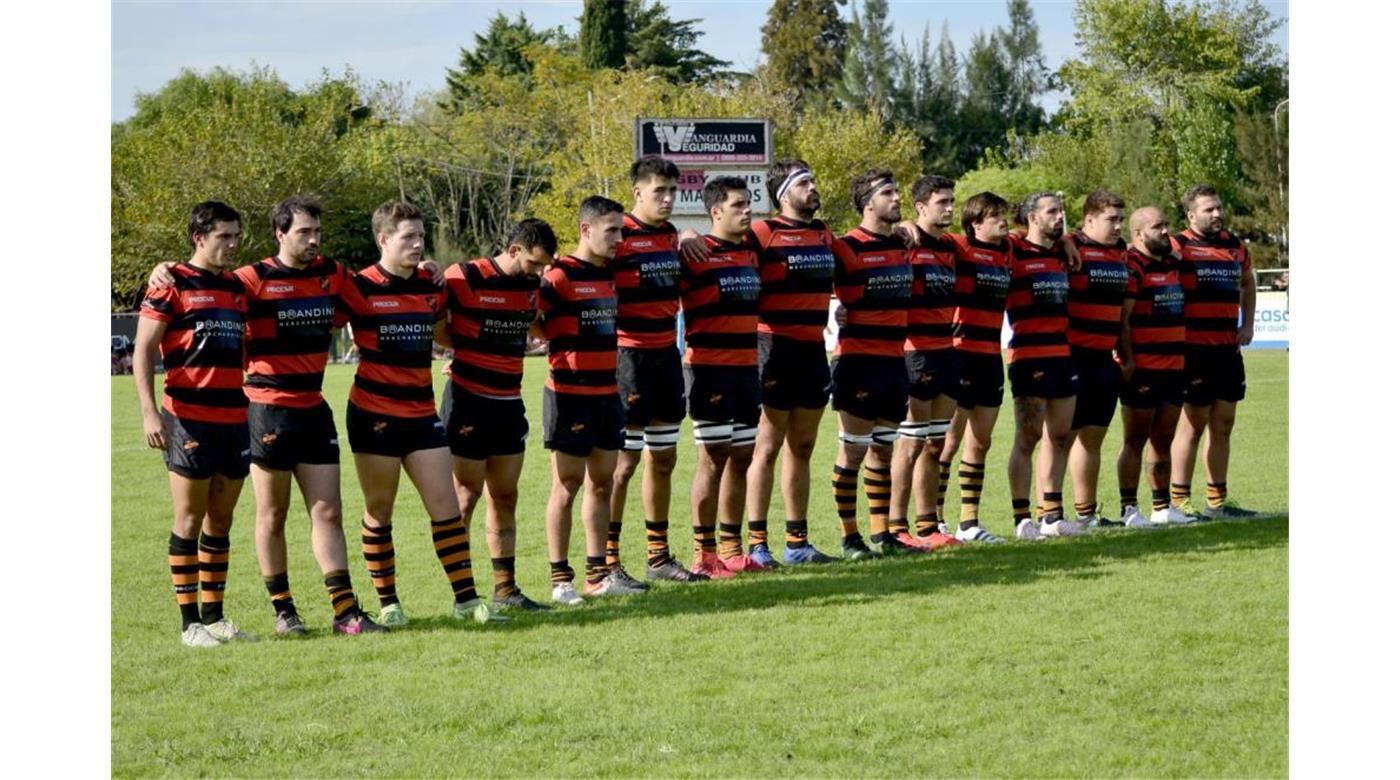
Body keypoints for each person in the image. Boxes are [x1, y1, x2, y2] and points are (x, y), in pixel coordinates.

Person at [340, 201, 507, 628]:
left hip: (422, 414)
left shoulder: (432, 287)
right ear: (383, 240)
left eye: (420, 237)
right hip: (373, 414)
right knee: (379, 509)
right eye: (407, 237)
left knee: (446, 507)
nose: (417, 244)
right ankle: (389, 602)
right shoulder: (358, 287)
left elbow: (444, 326)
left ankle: (467, 601)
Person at [135, 201, 256, 646]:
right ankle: (190, 626)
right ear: (198, 238)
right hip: (188, 420)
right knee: (189, 518)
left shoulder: (239, 288)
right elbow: (143, 351)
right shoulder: (171, 285)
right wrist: (151, 412)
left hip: (235, 419)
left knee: (220, 522)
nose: (232, 244)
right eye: (223, 236)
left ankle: (216, 617)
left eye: (236, 236)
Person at [437, 219, 557, 612]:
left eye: (543, 267)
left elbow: (539, 327)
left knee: (505, 495)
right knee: (465, 496)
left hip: (508, 402)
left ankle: (505, 589)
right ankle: (463, 595)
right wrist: (467, 349)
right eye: (534, 265)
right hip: (468, 400)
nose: (538, 274)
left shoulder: (532, 287)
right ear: (513, 251)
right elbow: (438, 326)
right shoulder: (464, 277)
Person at [539, 196, 640, 604]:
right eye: (612, 230)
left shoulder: (612, 273)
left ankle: (598, 574)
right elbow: (528, 316)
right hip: (568, 396)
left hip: (607, 393)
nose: (620, 238)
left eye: (621, 230)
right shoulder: (559, 276)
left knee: (603, 483)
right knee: (567, 485)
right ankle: (561, 580)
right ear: (586, 229)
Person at [609, 156, 702, 584]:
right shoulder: (618, 236)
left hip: (667, 357)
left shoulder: (670, 237)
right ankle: (607, 559)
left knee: (663, 459)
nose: (667, 199)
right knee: (623, 465)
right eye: (658, 191)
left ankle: (659, 557)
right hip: (627, 361)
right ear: (637, 193)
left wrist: (685, 234)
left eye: (672, 191)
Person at [745, 160, 840, 566]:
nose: (814, 187)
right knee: (766, 448)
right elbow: (725, 249)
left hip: (812, 351)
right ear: (784, 194)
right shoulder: (762, 233)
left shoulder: (824, 234)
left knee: (802, 446)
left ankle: (797, 542)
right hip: (774, 350)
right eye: (805, 183)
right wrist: (692, 235)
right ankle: (757, 544)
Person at [681, 176, 765, 577]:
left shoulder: (751, 251)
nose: (746, 210)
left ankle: (733, 549)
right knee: (712, 459)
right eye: (737, 205)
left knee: (743, 457)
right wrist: (682, 235)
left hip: (747, 368)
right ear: (716, 212)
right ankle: (704, 553)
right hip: (708, 369)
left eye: (748, 203)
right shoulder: (695, 252)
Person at [829, 169, 916, 558]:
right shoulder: (844, 247)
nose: (897, 198)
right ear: (868, 203)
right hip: (857, 362)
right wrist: (836, 312)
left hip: (895, 362)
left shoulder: (902, 243)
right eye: (888, 193)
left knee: (883, 449)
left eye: (897, 192)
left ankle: (883, 534)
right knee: (853, 451)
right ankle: (850, 537)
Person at [1169, 184, 1259, 519]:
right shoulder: (1177, 245)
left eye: (1219, 207)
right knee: (1191, 425)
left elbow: (1247, 282)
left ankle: (1218, 501)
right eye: (1209, 209)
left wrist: (1247, 325)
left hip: (1227, 350)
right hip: (1193, 350)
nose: (1217, 214)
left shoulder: (1234, 245)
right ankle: (1180, 501)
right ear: (1191, 215)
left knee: (1223, 424)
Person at [890, 175, 963, 551]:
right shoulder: (905, 241)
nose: (949, 208)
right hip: (913, 352)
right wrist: (904, 226)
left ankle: (929, 525)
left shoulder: (951, 246)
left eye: (952, 201)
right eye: (942, 202)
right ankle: (897, 527)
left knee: (937, 443)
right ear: (920, 207)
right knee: (911, 443)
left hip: (947, 351)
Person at [1005, 193, 1081, 540]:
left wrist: (1064, 239)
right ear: (1032, 218)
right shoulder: (1014, 250)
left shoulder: (1061, 253)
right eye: (1052, 212)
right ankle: (1022, 519)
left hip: (1062, 355)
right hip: (1028, 357)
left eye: (1061, 211)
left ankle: (1052, 515)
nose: (1060, 217)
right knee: (1028, 437)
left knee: (1060, 436)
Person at [947, 193, 1014, 543]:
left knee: (981, 442)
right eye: (995, 216)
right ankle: (935, 522)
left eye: (1003, 214)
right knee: (947, 442)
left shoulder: (1008, 251)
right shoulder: (958, 247)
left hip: (990, 357)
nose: (1003, 221)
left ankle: (968, 523)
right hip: (959, 355)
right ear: (976, 224)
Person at [1116, 206, 1187, 527]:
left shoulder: (1173, 262)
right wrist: (1128, 359)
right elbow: (1123, 318)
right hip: (1143, 368)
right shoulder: (1132, 266)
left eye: (1167, 225)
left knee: (1164, 438)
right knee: (1135, 439)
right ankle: (1129, 509)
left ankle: (1162, 507)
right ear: (1138, 233)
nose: (1165, 231)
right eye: (1158, 226)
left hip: (1175, 366)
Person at [1065, 191, 1133, 527]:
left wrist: (1125, 352)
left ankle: (1086, 514)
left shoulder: (1120, 251)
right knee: (1062, 438)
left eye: (1121, 219)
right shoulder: (1069, 245)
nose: (1119, 226)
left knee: (1093, 438)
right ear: (1089, 220)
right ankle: (1049, 514)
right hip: (1071, 356)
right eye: (1112, 219)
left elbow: (1121, 310)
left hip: (1105, 358)